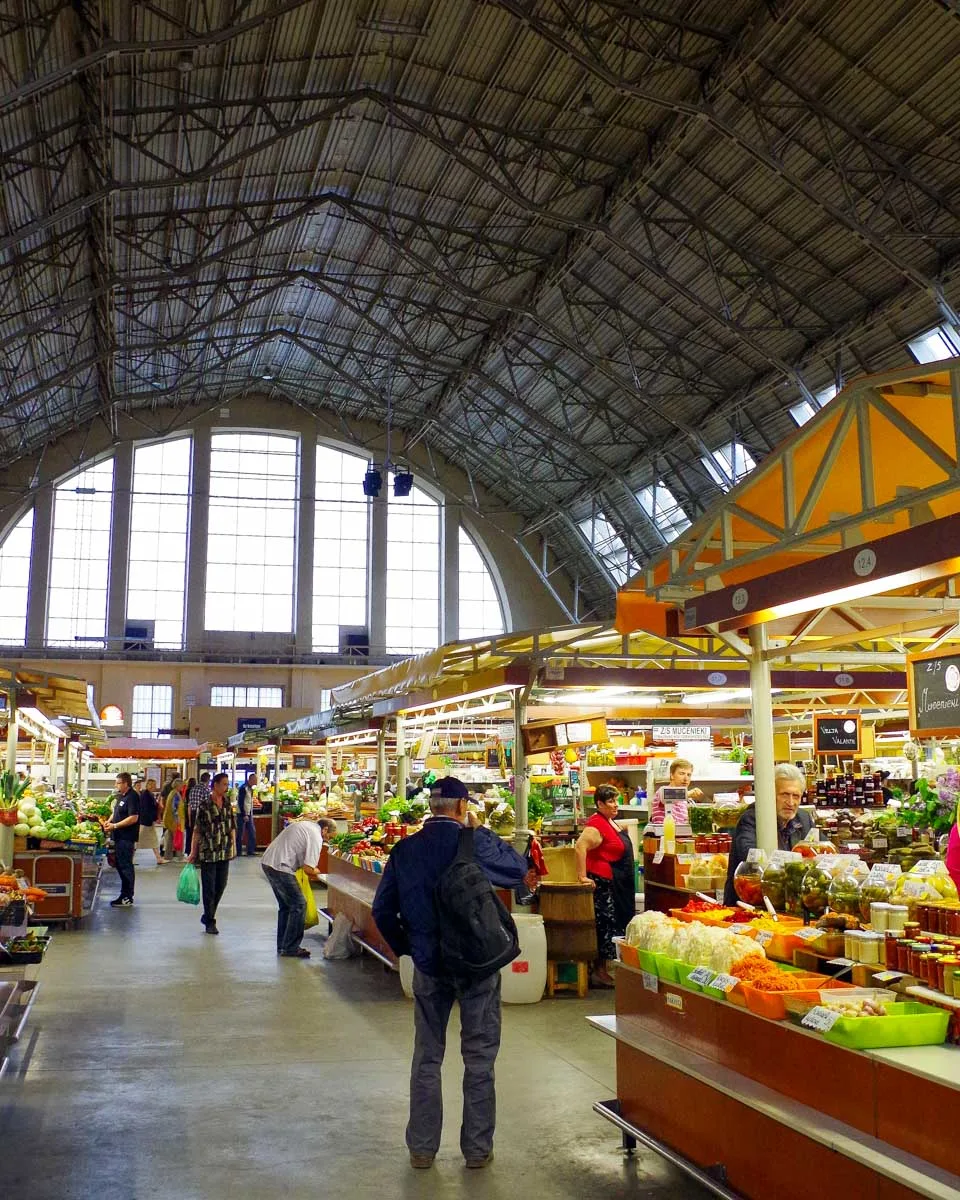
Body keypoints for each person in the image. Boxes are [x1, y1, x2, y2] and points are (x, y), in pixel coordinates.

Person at [371, 776, 535, 1171]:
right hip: (477, 965)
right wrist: (481, 830)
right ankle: (477, 1150)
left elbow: (382, 910)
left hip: (429, 964)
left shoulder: (405, 849)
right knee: (479, 1057)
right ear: (463, 807)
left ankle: (422, 1149)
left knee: (427, 1056)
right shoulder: (473, 843)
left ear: (431, 807)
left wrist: (409, 947)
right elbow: (518, 869)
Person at [723, 763, 814, 905]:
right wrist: (798, 863)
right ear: (770, 794)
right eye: (785, 795)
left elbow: (822, 853)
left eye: (796, 796)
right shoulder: (752, 818)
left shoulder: (804, 818)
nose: (790, 802)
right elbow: (751, 858)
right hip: (750, 903)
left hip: (790, 904)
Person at [575, 784, 636, 989]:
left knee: (613, 924)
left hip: (617, 883)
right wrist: (582, 876)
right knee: (605, 926)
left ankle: (604, 970)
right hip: (603, 885)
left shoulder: (610, 821)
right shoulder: (596, 825)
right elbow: (580, 846)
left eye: (616, 800)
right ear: (599, 804)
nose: (615, 805)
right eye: (610, 801)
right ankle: (599, 972)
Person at [261, 817, 337, 957]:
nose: (327, 841)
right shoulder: (316, 836)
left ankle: (283, 945)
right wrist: (319, 872)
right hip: (281, 867)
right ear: (325, 829)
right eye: (329, 837)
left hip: (268, 862)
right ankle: (291, 948)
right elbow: (309, 869)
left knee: (286, 906)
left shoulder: (306, 825)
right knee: (299, 904)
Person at [187, 772, 236, 935]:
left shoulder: (227, 803)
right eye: (224, 784)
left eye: (227, 784)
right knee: (209, 887)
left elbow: (232, 826)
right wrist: (193, 852)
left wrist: (234, 846)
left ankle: (208, 915)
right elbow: (197, 830)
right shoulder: (204, 805)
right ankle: (210, 921)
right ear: (215, 785)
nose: (226, 787)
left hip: (224, 850)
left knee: (221, 885)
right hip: (208, 851)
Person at [105, 772, 140, 907]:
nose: (116, 785)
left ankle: (127, 897)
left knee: (126, 866)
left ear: (126, 783)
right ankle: (124, 894)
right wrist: (108, 822)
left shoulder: (132, 797)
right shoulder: (122, 796)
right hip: (118, 837)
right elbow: (116, 812)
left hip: (126, 838)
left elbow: (133, 818)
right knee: (120, 865)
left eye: (118, 783)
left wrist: (115, 826)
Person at [647, 758, 703, 827]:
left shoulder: (684, 801)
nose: (686, 778)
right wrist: (688, 793)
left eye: (689, 775)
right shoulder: (662, 791)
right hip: (662, 833)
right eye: (682, 773)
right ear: (672, 775)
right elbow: (667, 795)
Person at [136, 778, 163, 865]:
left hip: (146, 821)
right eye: (154, 785)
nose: (155, 787)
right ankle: (158, 858)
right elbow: (146, 809)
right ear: (150, 785)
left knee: (153, 840)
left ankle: (159, 858)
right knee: (138, 841)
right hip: (145, 822)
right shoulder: (146, 795)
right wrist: (154, 818)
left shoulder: (148, 794)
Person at [186, 772, 210, 857]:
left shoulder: (193, 789)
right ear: (208, 780)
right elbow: (207, 803)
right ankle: (198, 852)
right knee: (201, 833)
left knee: (192, 832)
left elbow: (189, 804)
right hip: (201, 813)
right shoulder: (205, 789)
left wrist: (189, 818)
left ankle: (189, 851)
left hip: (192, 812)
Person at [160, 775, 184, 860]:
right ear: (178, 785)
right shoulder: (176, 794)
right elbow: (175, 808)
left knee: (170, 838)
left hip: (169, 819)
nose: (182, 787)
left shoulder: (172, 793)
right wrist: (177, 819)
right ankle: (179, 855)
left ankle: (168, 855)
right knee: (178, 837)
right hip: (174, 820)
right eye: (181, 785)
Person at [236, 772, 258, 857]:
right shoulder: (243, 788)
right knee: (240, 833)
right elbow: (240, 802)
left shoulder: (250, 789)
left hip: (249, 813)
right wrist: (244, 814)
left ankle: (250, 850)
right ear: (251, 779)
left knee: (252, 832)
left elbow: (249, 802)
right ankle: (238, 851)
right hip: (242, 814)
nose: (256, 781)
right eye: (255, 779)